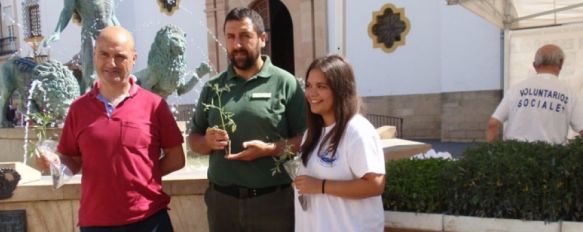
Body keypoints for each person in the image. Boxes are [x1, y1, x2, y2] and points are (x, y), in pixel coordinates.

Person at [37, 26, 185, 231]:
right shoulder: (78, 109)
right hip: (96, 222)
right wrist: (53, 162)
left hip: (149, 220)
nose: (111, 63)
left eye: (120, 56)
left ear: (134, 58)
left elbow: (177, 158)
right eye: (104, 54)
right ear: (94, 55)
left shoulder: (155, 105)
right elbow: (72, 160)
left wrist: (142, 178)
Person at [188, 7, 306, 232]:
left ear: (263, 39)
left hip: (272, 205)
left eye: (245, 36)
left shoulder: (285, 83)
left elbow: (306, 139)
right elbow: (193, 139)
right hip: (222, 204)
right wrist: (207, 142)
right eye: (231, 37)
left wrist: (270, 149)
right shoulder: (213, 87)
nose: (237, 44)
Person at [294, 54, 386, 231]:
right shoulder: (312, 133)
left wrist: (321, 186)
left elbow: (375, 184)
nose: (312, 93)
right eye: (309, 86)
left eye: (321, 86)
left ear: (340, 89)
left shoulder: (357, 130)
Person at [486, 44, 583, 144]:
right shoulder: (570, 93)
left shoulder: (516, 89)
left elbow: (493, 124)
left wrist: (494, 153)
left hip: (514, 155)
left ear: (535, 65)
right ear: (561, 63)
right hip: (551, 157)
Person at [42, 0, 120, 93]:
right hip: (90, 36)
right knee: (90, 76)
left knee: (116, 72)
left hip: (110, 35)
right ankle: (87, 101)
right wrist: (57, 32)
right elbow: (67, 11)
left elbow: (112, 16)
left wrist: (122, 36)